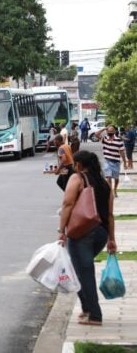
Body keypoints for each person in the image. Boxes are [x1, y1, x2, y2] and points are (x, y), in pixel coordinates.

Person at [57, 150, 117, 326]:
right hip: (101, 232)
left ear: (79, 165)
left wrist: (61, 230)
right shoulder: (105, 184)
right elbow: (110, 214)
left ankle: (95, 315)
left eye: (75, 164)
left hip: (82, 231)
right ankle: (86, 309)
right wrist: (111, 239)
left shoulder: (77, 178)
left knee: (83, 273)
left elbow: (67, 204)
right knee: (79, 271)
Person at [96, 125, 127, 197]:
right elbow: (96, 134)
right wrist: (104, 128)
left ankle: (115, 189)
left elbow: (122, 152)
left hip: (116, 162)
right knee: (108, 177)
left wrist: (125, 162)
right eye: (108, 132)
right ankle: (110, 192)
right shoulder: (105, 139)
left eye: (111, 132)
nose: (109, 133)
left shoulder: (119, 140)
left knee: (116, 178)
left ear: (114, 132)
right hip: (107, 160)